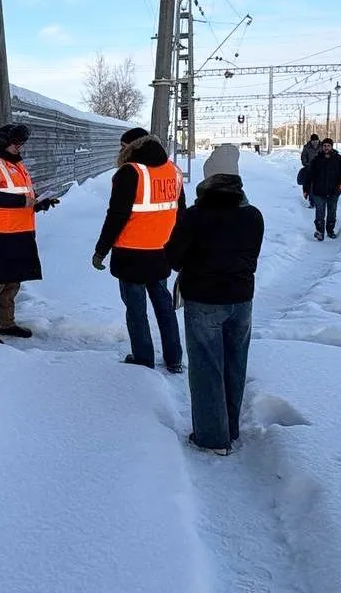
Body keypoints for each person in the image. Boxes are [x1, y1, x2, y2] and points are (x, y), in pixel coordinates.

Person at [165, 144, 264, 456]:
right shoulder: (253, 216)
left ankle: (212, 437)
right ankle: (231, 429)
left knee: (207, 368)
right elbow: (252, 257)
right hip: (242, 301)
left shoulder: (195, 217)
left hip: (204, 301)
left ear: (207, 181)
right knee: (235, 365)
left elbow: (174, 259)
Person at [92, 127, 186, 373]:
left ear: (131, 147)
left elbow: (117, 216)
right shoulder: (173, 170)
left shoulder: (129, 172)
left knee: (136, 310)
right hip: (162, 251)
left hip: (131, 253)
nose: (120, 151)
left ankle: (144, 358)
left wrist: (101, 250)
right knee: (164, 307)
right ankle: (174, 357)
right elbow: (181, 212)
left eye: (122, 147)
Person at [0, 123, 57, 344]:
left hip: (22, 230)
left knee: (13, 281)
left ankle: (7, 323)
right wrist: (24, 201)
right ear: (3, 142)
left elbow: (25, 195)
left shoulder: (17, 165)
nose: (20, 148)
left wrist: (39, 203)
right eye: (16, 144)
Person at [302, 137, 341, 241]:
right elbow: (308, 176)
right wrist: (305, 190)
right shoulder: (316, 160)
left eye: (328, 146)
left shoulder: (339, 159)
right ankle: (319, 232)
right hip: (319, 192)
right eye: (324, 146)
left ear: (332, 147)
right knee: (320, 213)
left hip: (334, 192)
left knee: (332, 213)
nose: (326, 147)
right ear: (322, 147)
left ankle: (330, 231)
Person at [299, 134, 321, 207]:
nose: (315, 143)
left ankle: (320, 200)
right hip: (310, 169)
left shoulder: (322, 146)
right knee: (311, 185)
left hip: (320, 169)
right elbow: (303, 157)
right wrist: (306, 164)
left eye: (316, 141)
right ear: (311, 141)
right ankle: (311, 201)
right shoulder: (306, 147)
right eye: (313, 141)